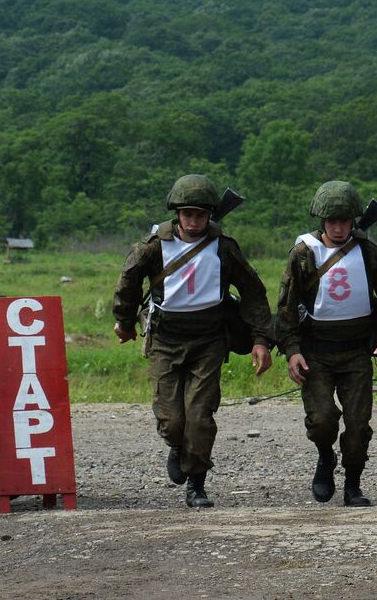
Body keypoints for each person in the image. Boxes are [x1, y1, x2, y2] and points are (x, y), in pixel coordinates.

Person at [112, 175, 275, 508]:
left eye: (201, 214)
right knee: (172, 420)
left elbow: (253, 293)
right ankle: (176, 445)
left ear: (210, 214)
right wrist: (125, 321)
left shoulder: (224, 247)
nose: (194, 220)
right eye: (188, 213)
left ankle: (196, 483)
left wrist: (261, 339)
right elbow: (128, 281)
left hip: (209, 340)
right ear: (177, 213)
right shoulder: (154, 245)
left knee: (200, 417)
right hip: (165, 339)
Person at [277, 181, 377, 507]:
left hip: (356, 352)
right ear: (322, 221)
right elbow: (286, 306)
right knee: (322, 420)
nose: (338, 227)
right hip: (315, 352)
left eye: (345, 221)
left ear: (353, 221)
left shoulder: (368, 252)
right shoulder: (304, 254)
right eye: (332, 221)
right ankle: (325, 457)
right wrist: (292, 350)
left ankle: (353, 484)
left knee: (358, 424)